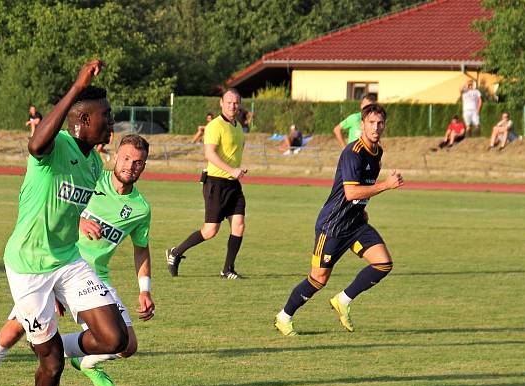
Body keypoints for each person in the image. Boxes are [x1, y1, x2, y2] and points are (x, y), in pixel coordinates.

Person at [0, 60, 124, 386]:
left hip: (66, 260)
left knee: (114, 338)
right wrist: (77, 84)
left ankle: (50, 347)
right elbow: (35, 143)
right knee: (50, 363)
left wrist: (82, 221)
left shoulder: (94, 163)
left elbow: (67, 204)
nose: (111, 123)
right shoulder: (55, 146)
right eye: (105, 116)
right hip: (29, 265)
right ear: (80, 120)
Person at [0, 134, 154, 386]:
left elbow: (142, 248)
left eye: (138, 162)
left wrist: (144, 290)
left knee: (126, 345)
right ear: (115, 156)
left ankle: (82, 360)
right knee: (11, 333)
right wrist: (80, 221)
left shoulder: (140, 208)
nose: (130, 166)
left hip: (92, 276)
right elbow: (56, 206)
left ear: (144, 166)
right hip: (52, 265)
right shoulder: (91, 176)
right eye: (126, 158)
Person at [274, 103, 404, 337]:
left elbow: (362, 189)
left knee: (383, 263)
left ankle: (342, 300)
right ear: (362, 124)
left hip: (356, 223)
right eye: (371, 123)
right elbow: (351, 192)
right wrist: (386, 185)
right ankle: (284, 317)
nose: (376, 127)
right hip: (333, 225)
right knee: (318, 278)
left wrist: (363, 209)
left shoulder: (378, 152)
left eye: (380, 123)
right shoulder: (353, 152)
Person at [165, 88, 247, 280]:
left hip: (233, 184)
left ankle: (228, 269)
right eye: (229, 102)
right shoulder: (215, 126)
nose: (232, 106)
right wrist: (231, 170)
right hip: (216, 183)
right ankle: (175, 252)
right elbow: (209, 154)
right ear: (221, 103)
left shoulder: (238, 126)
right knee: (210, 231)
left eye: (236, 102)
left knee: (239, 224)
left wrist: (237, 169)